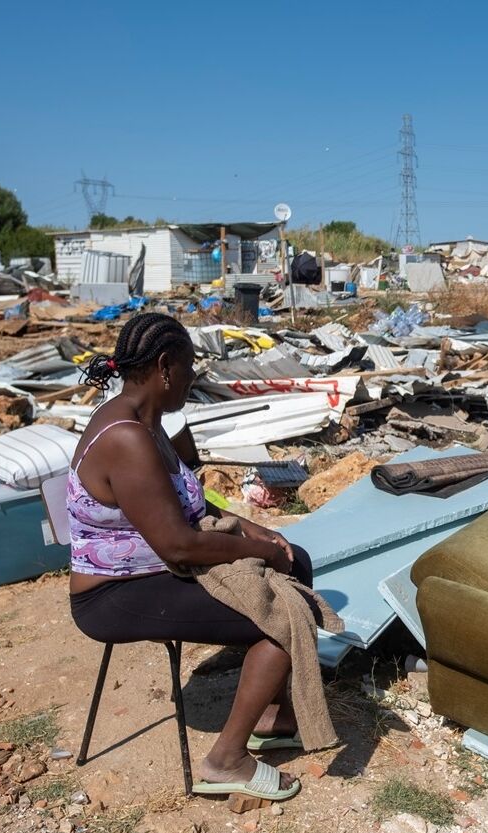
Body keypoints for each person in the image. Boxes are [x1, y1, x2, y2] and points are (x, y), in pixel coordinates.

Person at [68, 312, 316, 803]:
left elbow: (193, 503)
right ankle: (226, 760)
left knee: (297, 560)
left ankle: (279, 713)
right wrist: (256, 551)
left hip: (155, 566)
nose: (192, 379)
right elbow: (178, 545)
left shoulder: (149, 420)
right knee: (287, 610)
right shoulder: (126, 438)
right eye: (189, 369)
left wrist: (254, 527)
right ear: (164, 367)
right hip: (112, 594)